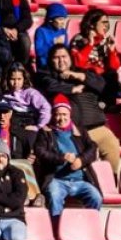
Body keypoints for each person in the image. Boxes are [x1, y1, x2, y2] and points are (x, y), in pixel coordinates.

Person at [37, 45, 121, 175]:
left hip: (97, 127)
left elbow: (102, 85)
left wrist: (78, 76)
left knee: (112, 144)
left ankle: (110, 181)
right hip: (73, 132)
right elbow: (49, 86)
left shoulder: (82, 73)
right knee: (83, 160)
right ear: (51, 60)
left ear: (70, 58)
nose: (61, 61)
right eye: (56, 58)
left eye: (64, 56)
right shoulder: (46, 76)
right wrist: (72, 89)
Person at [34, 95, 103, 227]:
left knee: (96, 197)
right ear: (53, 115)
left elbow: (92, 148)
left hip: (80, 180)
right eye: (58, 114)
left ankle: (90, 227)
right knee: (54, 197)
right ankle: (56, 229)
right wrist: (61, 158)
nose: (61, 118)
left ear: (70, 114)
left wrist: (81, 161)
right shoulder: (46, 133)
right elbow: (41, 152)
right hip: (57, 180)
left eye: (64, 114)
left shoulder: (80, 131)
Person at [70, 9, 121, 104]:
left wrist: (112, 51)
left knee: (112, 75)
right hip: (87, 77)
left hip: (102, 77)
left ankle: (109, 105)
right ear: (92, 24)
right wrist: (90, 45)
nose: (106, 26)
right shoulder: (79, 39)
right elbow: (78, 64)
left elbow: (114, 67)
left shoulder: (106, 41)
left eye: (107, 23)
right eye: (103, 23)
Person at [0, 62, 50, 133]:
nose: (16, 83)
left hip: (29, 121)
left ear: (24, 79)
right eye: (12, 79)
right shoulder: (5, 95)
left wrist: (39, 126)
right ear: (7, 79)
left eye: (19, 79)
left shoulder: (31, 93)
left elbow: (45, 107)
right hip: (13, 123)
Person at [34, 2, 69, 69]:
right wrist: (53, 43)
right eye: (60, 19)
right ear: (50, 20)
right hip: (45, 66)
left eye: (64, 19)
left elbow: (66, 49)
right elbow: (39, 52)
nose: (63, 22)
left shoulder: (63, 32)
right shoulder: (41, 31)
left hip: (61, 66)